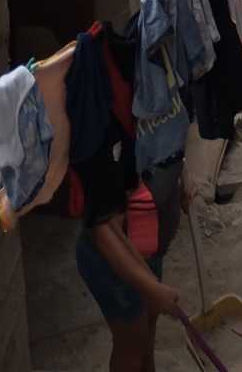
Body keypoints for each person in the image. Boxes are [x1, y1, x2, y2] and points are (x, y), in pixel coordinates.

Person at [76, 158, 186, 372]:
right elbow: (104, 231)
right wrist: (152, 288)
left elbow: (175, 153)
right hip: (114, 266)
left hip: (150, 252)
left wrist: (183, 177)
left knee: (147, 331)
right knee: (132, 344)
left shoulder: (167, 138)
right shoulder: (116, 150)